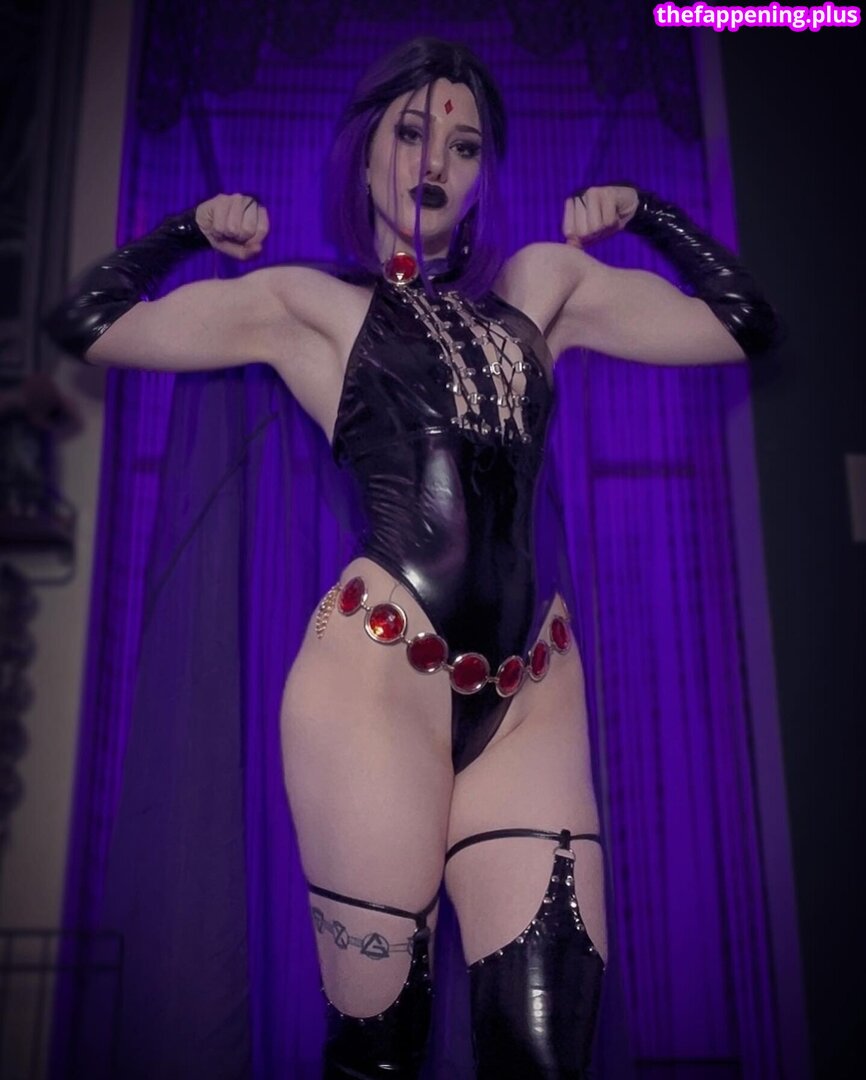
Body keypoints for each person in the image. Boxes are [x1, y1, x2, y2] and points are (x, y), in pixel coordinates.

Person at [47, 35, 777, 1080]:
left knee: (544, 1057)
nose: (434, 160)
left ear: (483, 175)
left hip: (531, 696)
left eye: (464, 145)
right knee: (379, 1059)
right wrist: (187, 230)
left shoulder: (543, 287)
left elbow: (743, 322)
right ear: (363, 149)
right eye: (409, 131)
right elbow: (91, 322)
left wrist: (646, 213)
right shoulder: (310, 309)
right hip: (376, 685)